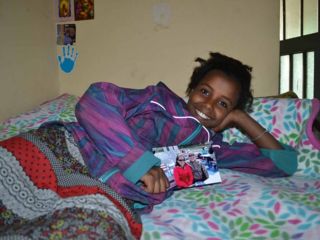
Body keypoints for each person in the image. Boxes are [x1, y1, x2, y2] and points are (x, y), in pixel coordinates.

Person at [4, 52, 296, 210]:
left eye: (223, 103)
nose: (208, 104)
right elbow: (96, 99)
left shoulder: (209, 156)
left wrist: (242, 119)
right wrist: (139, 163)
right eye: (204, 91)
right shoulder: (158, 103)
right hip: (65, 148)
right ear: (191, 90)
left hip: (101, 195)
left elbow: (283, 164)